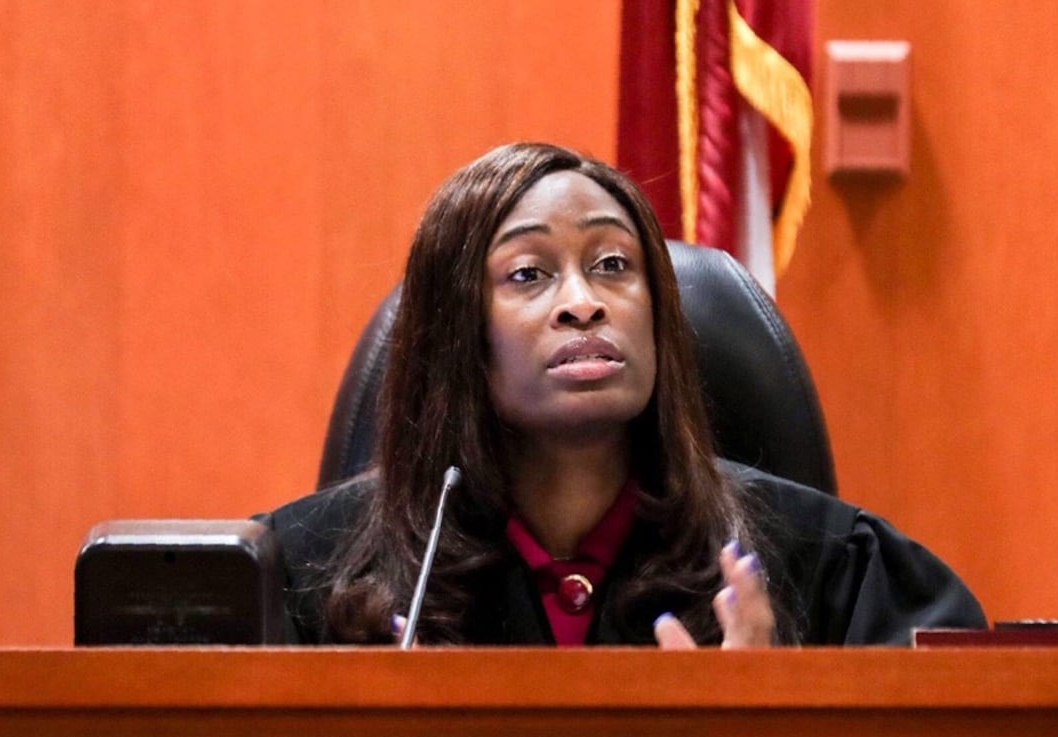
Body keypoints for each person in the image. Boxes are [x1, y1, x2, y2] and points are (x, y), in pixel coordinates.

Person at [259, 142, 984, 647]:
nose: (582, 302)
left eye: (612, 264)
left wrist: (775, 736)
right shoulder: (302, 577)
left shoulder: (830, 567)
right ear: (458, 339)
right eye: (527, 274)